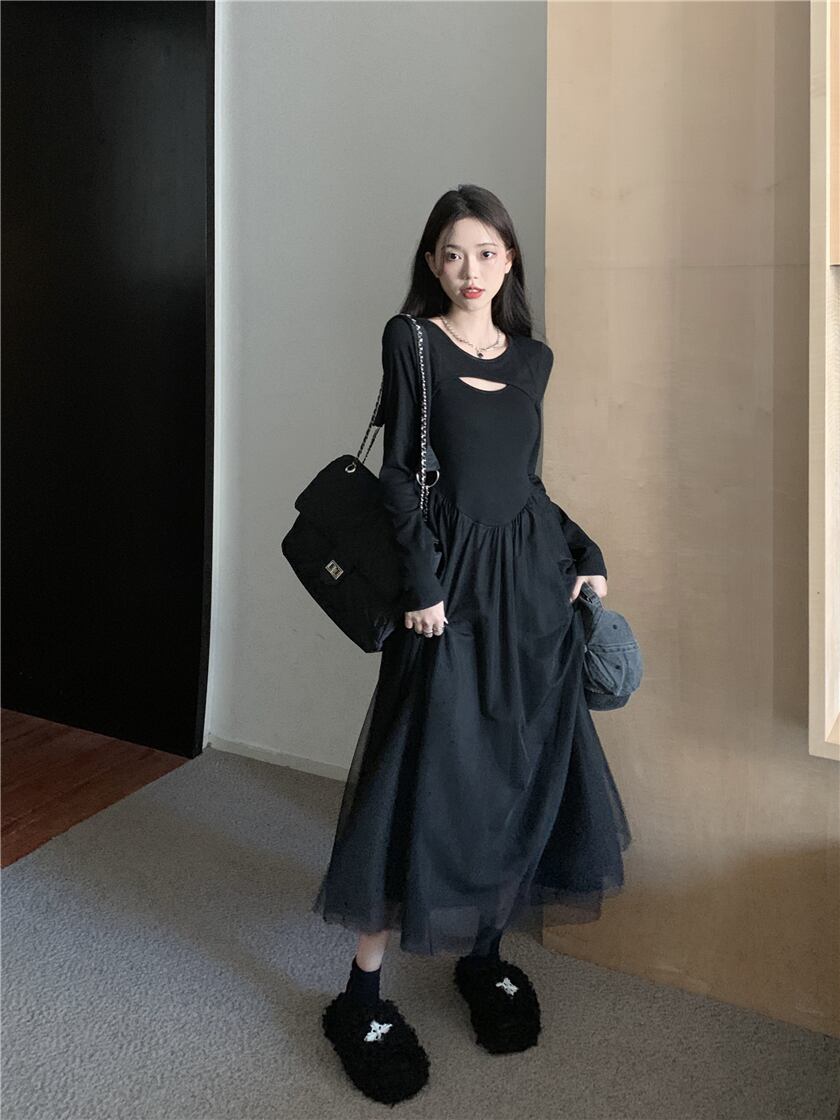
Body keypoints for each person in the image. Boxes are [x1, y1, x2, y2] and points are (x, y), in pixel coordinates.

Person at [314, 184, 632, 1105]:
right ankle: (361, 997)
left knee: (517, 770)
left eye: (486, 253)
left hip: (528, 592)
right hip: (447, 596)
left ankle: (483, 955)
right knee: (416, 773)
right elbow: (399, 479)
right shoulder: (411, 340)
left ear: (510, 260)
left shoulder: (533, 359)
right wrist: (422, 587)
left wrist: (585, 551)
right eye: (452, 254)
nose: (469, 270)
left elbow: (524, 485)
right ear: (431, 262)